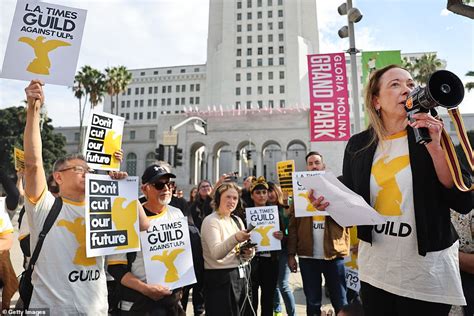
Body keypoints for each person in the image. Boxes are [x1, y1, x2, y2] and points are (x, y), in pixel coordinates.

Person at [341, 65, 472, 315]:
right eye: (395, 84)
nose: (407, 90)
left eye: (411, 84)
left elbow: (463, 199)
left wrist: (434, 147)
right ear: (376, 101)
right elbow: (350, 200)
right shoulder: (357, 145)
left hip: (426, 277)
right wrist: (328, 202)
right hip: (377, 273)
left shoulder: (433, 135)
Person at [22, 80, 149, 314]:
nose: (87, 174)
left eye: (89, 170)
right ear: (58, 177)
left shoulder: (102, 207)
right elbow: (32, 164)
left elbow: (143, 225)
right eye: (80, 169)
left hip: (95, 310)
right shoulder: (45, 206)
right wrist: (33, 110)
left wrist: (124, 189)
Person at [107, 164, 186, 315]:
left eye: (169, 184)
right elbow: (116, 267)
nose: (166, 189)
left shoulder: (177, 213)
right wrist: (146, 289)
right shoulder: (128, 218)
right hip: (138, 304)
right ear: (144, 189)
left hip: (170, 304)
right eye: (159, 185)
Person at [287, 151, 350, 316]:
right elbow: (293, 226)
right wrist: (291, 254)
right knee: (313, 302)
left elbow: (348, 220)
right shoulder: (299, 191)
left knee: (340, 301)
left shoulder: (336, 188)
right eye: (310, 163)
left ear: (323, 166)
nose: (314, 166)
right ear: (307, 167)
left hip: (334, 255)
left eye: (317, 162)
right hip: (308, 257)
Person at [200, 182, 254, 316]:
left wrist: (249, 253)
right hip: (220, 279)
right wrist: (236, 238)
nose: (232, 201)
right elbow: (217, 253)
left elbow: (241, 252)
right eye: (228, 197)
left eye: (235, 198)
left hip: (241, 276)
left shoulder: (236, 220)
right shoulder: (211, 221)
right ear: (218, 199)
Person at [245, 176, 284, 316]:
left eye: (264, 192)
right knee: (252, 298)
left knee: (268, 299)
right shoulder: (245, 214)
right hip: (252, 262)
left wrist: (281, 236)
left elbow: (285, 234)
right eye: (258, 192)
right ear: (252, 195)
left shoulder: (276, 213)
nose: (261, 196)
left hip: (271, 261)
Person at [269, 182, 295, 316]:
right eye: (266, 191)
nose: (269, 194)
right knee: (273, 284)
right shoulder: (263, 209)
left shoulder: (284, 207)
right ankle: (277, 310)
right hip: (269, 252)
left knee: (283, 284)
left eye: (271, 190)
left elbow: (290, 228)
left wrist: (283, 236)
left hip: (284, 250)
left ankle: (292, 314)